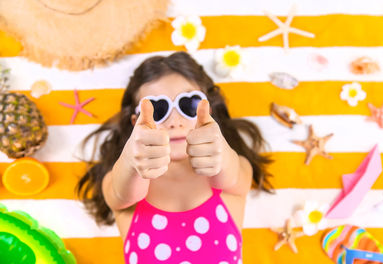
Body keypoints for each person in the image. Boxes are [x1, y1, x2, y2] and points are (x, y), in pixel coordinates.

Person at [77, 51, 273, 263]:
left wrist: (222, 154)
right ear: (136, 123)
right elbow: (120, 190)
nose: (174, 121)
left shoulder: (229, 176)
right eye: (157, 110)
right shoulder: (126, 187)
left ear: (209, 110)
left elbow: (232, 173)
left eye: (189, 104)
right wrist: (130, 161)